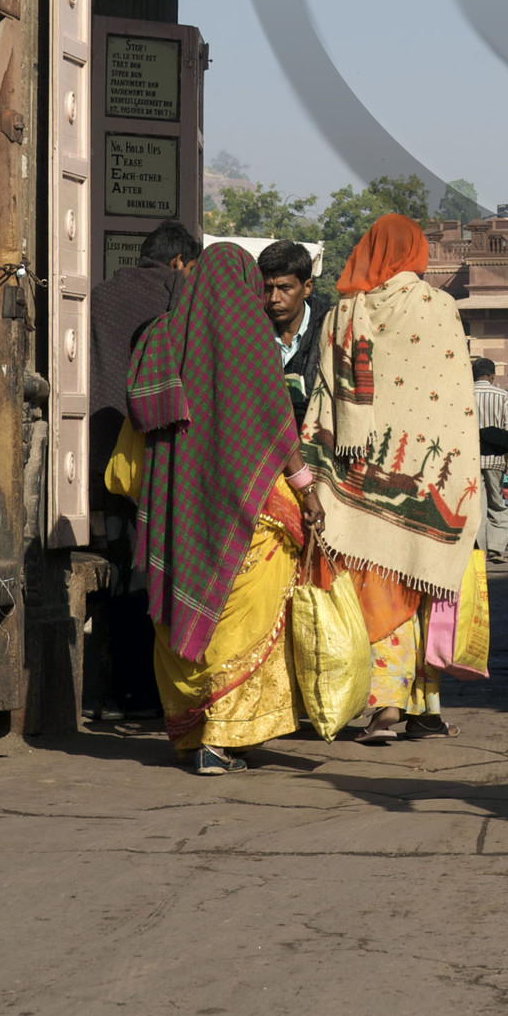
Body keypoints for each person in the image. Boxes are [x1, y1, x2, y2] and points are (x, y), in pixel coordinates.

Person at [127, 240, 325, 774]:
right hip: (246, 513)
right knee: (240, 616)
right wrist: (307, 492)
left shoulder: (161, 336)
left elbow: (144, 411)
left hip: (181, 511)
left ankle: (190, 739)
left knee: (181, 610)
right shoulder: (253, 339)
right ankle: (222, 737)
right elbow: (278, 429)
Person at [299, 213, 482, 744]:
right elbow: (454, 405)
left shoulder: (340, 315)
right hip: (424, 484)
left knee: (372, 586)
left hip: (356, 482)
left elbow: (326, 399)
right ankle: (400, 706)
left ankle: (396, 704)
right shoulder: (440, 308)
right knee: (417, 582)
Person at [88, 219, 202, 718]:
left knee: (118, 571)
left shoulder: (99, 293)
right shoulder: (177, 297)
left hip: (103, 457)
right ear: (179, 262)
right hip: (157, 457)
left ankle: (114, 692)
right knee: (156, 575)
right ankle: (155, 692)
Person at [257, 237, 330, 425]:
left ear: (307, 288)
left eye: (284, 288)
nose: (274, 298)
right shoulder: (253, 332)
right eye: (267, 289)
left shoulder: (329, 329)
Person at [472, 358, 508, 562]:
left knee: (476, 505)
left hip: (471, 458)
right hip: (495, 459)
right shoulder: (502, 395)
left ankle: (478, 548)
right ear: (492, 376)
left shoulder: (465, 393)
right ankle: (497, 547)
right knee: (497, 503)